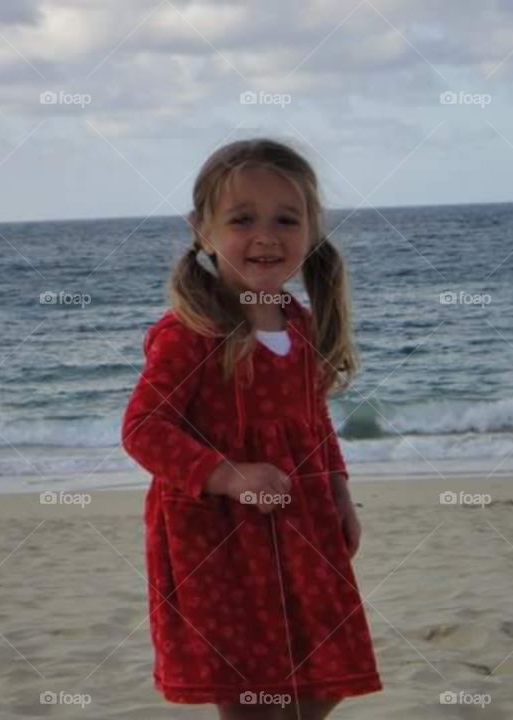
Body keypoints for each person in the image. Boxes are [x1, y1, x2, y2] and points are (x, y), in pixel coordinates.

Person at [121, 138, 382, 719]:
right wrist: (229, 475)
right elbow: (144, 428)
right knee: (249, 694)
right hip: (219, 541)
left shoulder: (300, 324)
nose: (266, 235)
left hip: (303, 527)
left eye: (286, 219)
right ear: (202, 231)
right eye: (243, 219)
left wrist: (340, 492)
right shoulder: (191, 330)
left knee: (323, 675)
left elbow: (314, 420)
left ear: (311, 231)